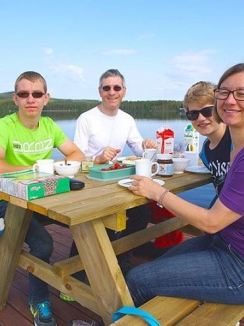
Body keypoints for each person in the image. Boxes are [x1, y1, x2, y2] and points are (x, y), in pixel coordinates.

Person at [124, 63, 244, 308]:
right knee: (157, 266)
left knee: (137, 279)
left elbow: (211, 222)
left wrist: (156, 192)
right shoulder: (238, 145)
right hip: (228, 244)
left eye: (242, 93)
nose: (230, 101)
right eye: (224, 93)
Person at [0, 71, 84, 326]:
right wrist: (37, 171)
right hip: (7, 201)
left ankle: (74, 281)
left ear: (46, 98)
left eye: (37, 94)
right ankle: (39, 300)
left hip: (43, 198)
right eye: (24, 94)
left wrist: (52, 167)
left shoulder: (49, 126)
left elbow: (76, 153)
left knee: (87, 219)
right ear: (15, 98)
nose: (31, 99)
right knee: (43, 245)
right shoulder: (4, 125)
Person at [69, 68, 156, 280]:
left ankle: (123, 256)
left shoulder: (126, 119)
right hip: (87, 182)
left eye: (116, 87)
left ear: (124, 91)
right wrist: (97, 158)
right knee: (103, 218)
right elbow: (75, 159)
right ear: (100, 91)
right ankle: (78, 271)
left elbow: (138, 150)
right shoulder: (86, 118)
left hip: (114, 180)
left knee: (142, 211)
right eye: (107, 88)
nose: (111, 92)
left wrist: (148, 146)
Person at [183, 81, 232, 207]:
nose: (200, 118)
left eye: (208, 111)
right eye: (193, 114)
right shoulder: (205, 151)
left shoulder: (237, 141)